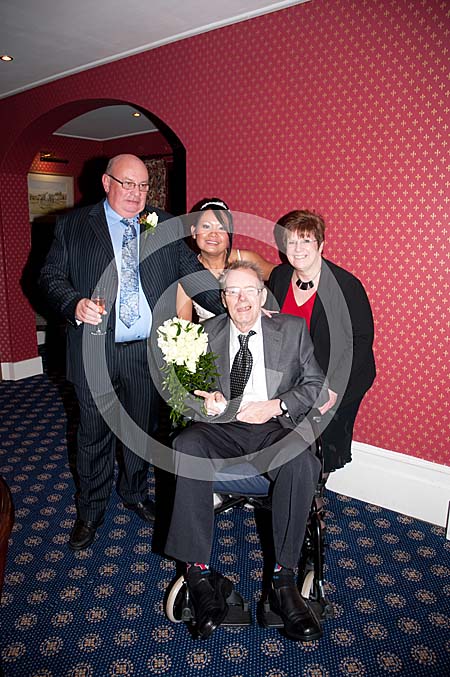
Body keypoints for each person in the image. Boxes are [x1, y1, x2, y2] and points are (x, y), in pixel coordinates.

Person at [39, 154, 224, 551]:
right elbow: (50, 276)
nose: (136, 193)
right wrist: (73, 303)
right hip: (94, 351)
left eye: (142, 186)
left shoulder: (163, 224)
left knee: (139, 431)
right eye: (128, 184)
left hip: (145, 353)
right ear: (107, 183)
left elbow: (194, 277)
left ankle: (135, 493)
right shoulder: (74, 225)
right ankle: (90, 511)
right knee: (94, 433)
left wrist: (239, 305)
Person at [164, 261, 326, 641]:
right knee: (185, 445)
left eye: (249, 290)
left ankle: (283, 581)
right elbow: (181, 395)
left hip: (273, 427)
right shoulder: (205, 334)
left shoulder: (291, 329)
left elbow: (315, 384)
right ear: (223, 299)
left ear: (262, 296)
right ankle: (198, 575)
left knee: (301, 461)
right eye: (232, 292)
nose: (241, 299)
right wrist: (203, 403)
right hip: (223, 427)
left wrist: (276, 405)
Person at [268, 210, 376, 476]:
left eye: (306, 240)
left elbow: (361, 340)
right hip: (298, 372)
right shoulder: (280, 276)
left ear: (321, 245)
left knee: (321, 440)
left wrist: (335, 387)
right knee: (286, 432)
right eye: (291, 241)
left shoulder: (346, 285)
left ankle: (314, 488)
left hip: (340, 373)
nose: (298, 249)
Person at [176, 198, 276, 321]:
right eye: (206, 226)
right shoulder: (186, 272)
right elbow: (184, 324)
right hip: (211, 333)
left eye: (221, 228)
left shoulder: (245, 259)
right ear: (193, 231)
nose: (213, 234)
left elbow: (282, 276)